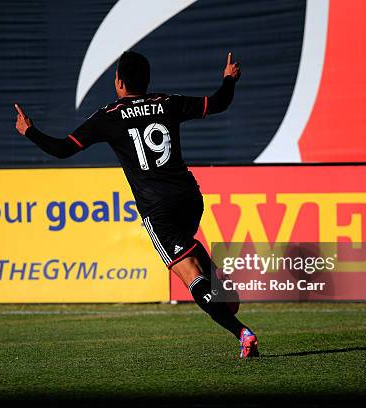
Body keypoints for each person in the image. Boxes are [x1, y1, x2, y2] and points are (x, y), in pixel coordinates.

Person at [14, 51, 258, 358]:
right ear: (146, 80)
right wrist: (229, 79)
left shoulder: (109, 115)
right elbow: (219, 102)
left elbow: (62, 149)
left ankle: (241, 332)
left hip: (158, 208)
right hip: (190, 197)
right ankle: (219, 290)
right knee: (186, 247)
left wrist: (30, 132)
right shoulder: (167, 102)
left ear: (118, 82)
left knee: (188, 275)